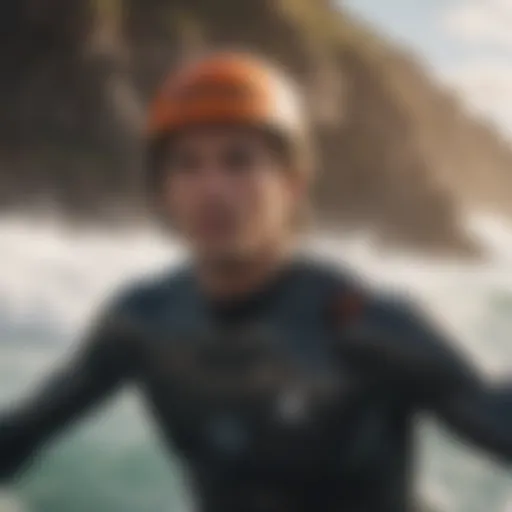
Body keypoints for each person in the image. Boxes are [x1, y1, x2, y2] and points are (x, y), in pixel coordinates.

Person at [0, 51, 511, 512]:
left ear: (292, 183)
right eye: (187, 165)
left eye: (239, 161)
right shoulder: (142, 322)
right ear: (163, 192)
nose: (213, 189)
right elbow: (22, 432)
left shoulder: (368, 324)